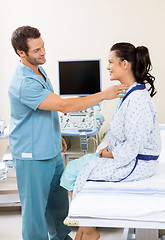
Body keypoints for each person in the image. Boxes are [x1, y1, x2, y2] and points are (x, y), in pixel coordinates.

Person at [8, 26, 128, 240]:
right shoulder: (23, 83)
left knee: (58, 206)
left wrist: (55, 134)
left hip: (50, 150)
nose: (43, 52)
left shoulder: (39, 70)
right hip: (32, 156)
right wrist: (103, 95)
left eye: (43, 46)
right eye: (36, 50)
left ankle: (62, 238)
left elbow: (47, 108)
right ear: (21, 53)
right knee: (35, 213)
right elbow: (63, 106)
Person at [60, 42, 161, 240]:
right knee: (75, 168)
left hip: (137, 162)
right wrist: (109, 147)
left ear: (124, 64)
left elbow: (133, 145)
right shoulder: (129, 94)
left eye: (110, 62)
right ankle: (86, 228)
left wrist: (108, 154)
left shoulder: (137, 99)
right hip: (128, 156)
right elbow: (126, 133)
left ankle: (88, 230)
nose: (107, 67)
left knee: (77, 170)